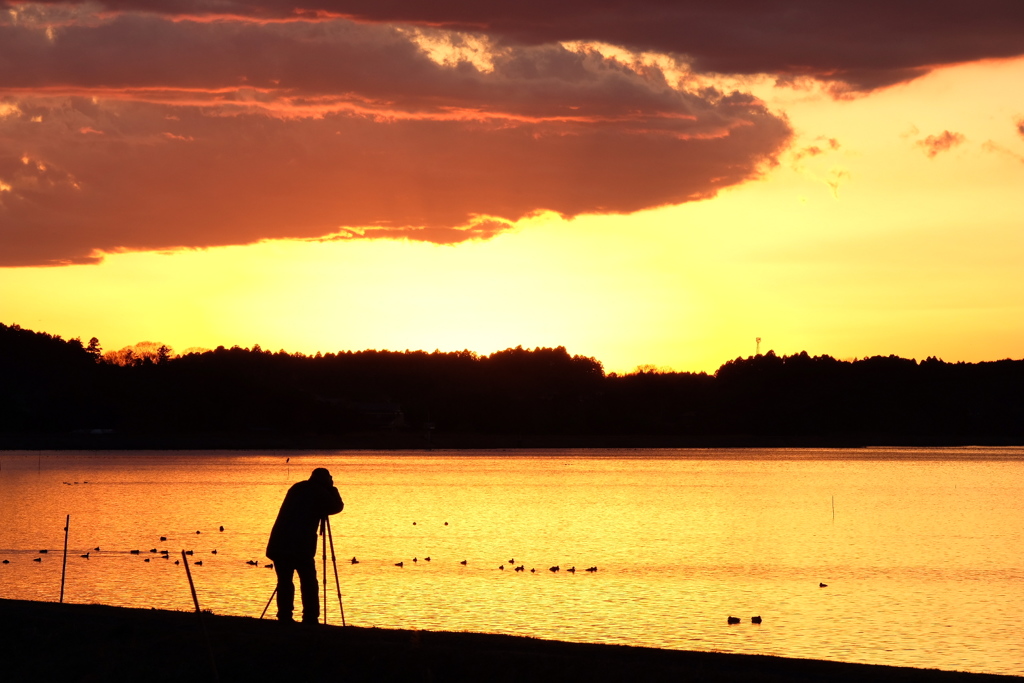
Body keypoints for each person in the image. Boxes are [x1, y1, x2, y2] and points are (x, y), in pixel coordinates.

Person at [266, 467, 344, 623]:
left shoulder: (298, 487)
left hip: (280, 543)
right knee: (309, 582)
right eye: (329, 477)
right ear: (324, 480)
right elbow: (337, 506)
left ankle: (284, 616)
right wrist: (332, 488)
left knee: (285, 581)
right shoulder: (319, 491)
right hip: (299, 546)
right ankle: (310, 616)